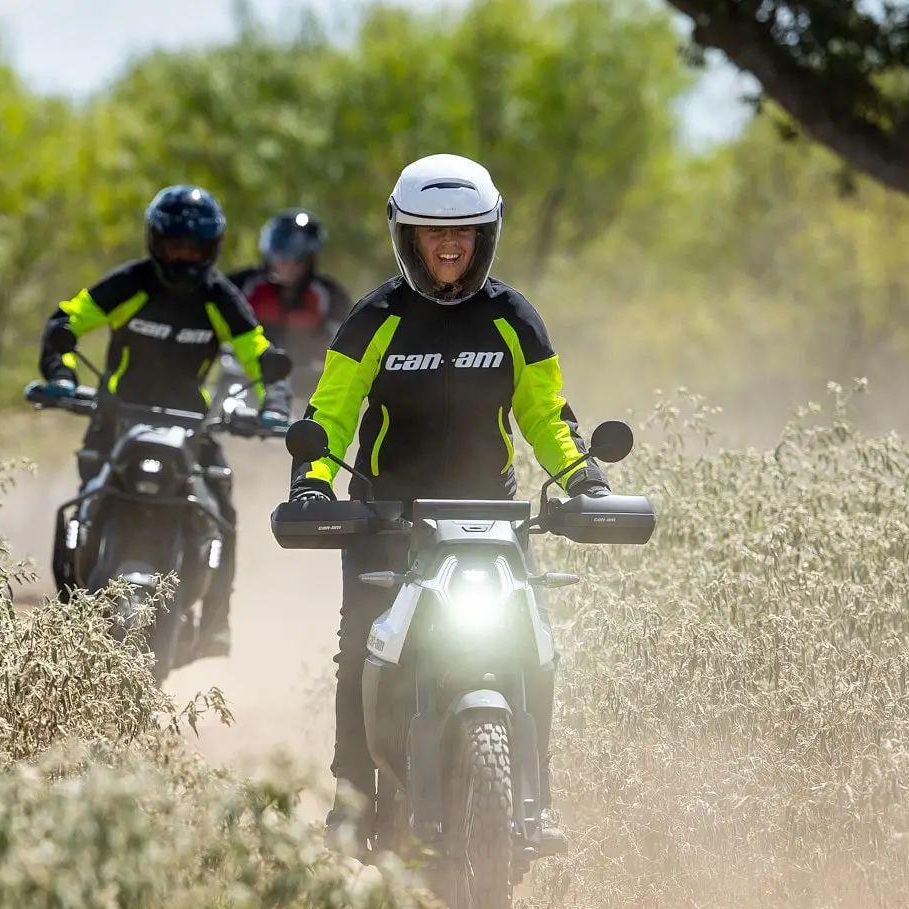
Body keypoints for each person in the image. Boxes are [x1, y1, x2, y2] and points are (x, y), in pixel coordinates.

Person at [288, 154, 609, 854]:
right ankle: (351, 803)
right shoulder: (373, 318)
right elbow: (331, 414)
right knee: (358, 650)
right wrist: (311, 482)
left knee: (535, 646)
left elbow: (548, 414)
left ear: (487, 234)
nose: (451, 245)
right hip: (384, 521)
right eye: (434, 233)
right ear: (407, 236)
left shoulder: (513, 319)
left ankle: (536, 797)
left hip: (490, 522)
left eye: (464, 231)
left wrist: (584, 478)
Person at [39, 183, 292, 658]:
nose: (183, 257)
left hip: (192, 428)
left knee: (224, 513)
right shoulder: (130, 284)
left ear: (212, 248)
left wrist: (274, 406)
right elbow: (67, 324)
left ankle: (215, 624)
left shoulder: (221, 298)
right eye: (174, 244)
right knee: (81, 508)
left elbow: (260, 356)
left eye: (194, 247)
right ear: (155, 242)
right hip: (115, 420)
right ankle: (70, 613)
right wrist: (61, 375)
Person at [227, 209, 351, 395]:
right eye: (280, 258)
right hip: (243, 378)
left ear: (310, 260)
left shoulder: (330, 296)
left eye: (296, 259)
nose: (286, 266)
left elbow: (344, 348)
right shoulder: (241, 285)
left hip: (303, 387)